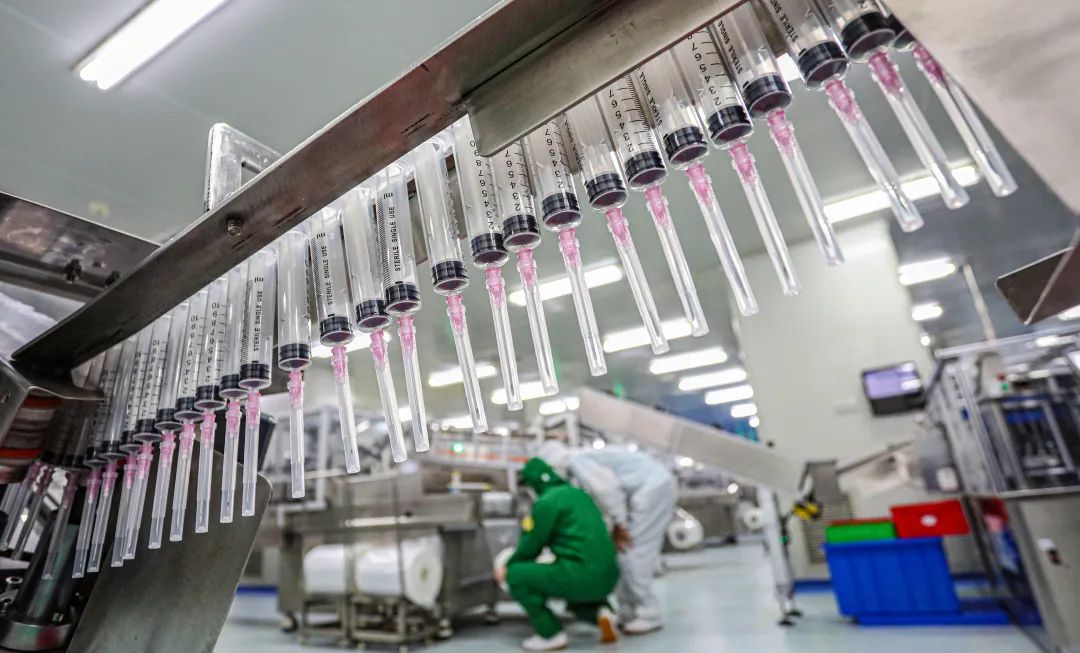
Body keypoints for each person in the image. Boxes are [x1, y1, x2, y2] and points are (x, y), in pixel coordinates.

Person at [537, 440, 678, 635]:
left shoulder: (577, 462)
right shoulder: (579, 464)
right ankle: (628, 612)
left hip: (652, 490)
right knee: (621, 554)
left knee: (633, 553)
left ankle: (649, 613)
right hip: (645, 489)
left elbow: (607, 490)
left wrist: (620, 524)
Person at [496, 457, 620, 651]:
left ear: (533, 483)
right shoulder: (579, 494)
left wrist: (507, 566)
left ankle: (550, 634)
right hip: (608, 576)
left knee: (516, 575)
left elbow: (532, 544)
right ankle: (600, 613)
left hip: (580, 575)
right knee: (572, 590)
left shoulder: (547, 501)